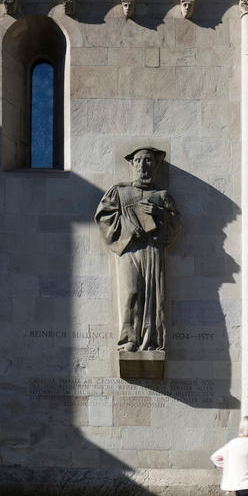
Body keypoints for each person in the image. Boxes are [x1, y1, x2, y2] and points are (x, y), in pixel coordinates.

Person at [95, 147, 181, 353]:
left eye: (149, 161)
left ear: (156, 166)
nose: (144, 165)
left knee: (153, 295)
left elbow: (175, 224)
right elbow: (104, 217)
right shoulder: (119, 191)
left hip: (153, 250)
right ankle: (129, 338)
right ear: (132, 164)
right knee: (131, 291)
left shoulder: (162, 195)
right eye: (139, 161)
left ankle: (151, 339)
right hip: (129, 250)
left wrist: (159, 213)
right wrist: (129, 228)